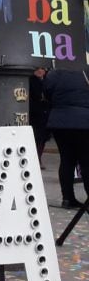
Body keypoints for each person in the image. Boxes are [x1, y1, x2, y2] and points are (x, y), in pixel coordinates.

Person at [42, 68, 89, 209]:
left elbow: (47, 92)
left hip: (60, 121)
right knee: (86, 161)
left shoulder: (55, 72)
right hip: (84, 121)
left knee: (66, 160)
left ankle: (68, 198)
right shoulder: (85, 70)